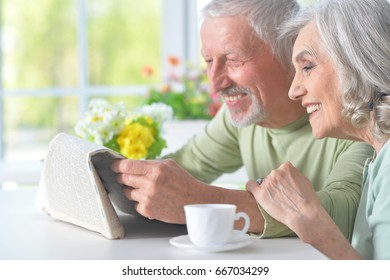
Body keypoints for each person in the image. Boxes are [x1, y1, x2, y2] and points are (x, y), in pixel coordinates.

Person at [111, 0, 372, 238]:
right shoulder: (245, 116)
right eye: (208, 60)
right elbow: (178, 172)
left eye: (233, 60)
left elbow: (346, 211)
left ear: (290, 53)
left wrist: (201, 199)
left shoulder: (353, 116)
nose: (215, 84)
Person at [247, 0, 390, 259]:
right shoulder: (380, 156)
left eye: (308, 67)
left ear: (360, 62)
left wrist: (310, 220)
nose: (293, 91)